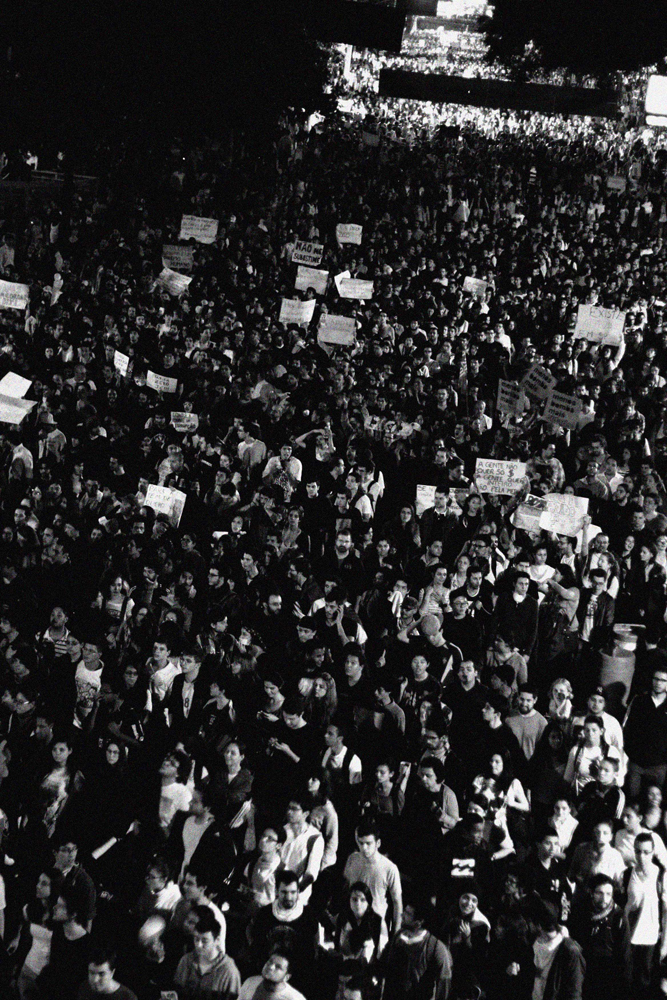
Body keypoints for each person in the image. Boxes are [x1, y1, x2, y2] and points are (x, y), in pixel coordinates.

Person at [569, 874, 631, 1000]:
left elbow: (624, 955)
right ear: (591, 893)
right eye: (600, 893)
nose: (605, 898)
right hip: (583, 972)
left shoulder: (618, 917)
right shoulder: (580, 911)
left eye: (609, 894)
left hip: (607, 975)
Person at [381, 896, 452, 1000]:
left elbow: (444, 981)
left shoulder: (435, 947)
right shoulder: (398, 937)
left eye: (408, 914)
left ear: (419, 922)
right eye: (404, 911)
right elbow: (384, 965)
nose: (402, 915)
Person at [343, 821, 403, 933]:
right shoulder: (352, 859)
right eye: (361, 843)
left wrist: (396, 934)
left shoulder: (390, 868)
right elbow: (346, 888)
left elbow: (397, 903)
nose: (364, 848)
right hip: (351, 925)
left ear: (378, 843)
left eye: (368, 843)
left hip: (376, 928)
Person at [174, 904, 242, 1000]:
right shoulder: (186, 961)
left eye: (205, 941)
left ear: (217, 940)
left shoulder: (228, 972)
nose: (199, 945)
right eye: (196, 939)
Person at [238, 951, 307, 1000]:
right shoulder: (250, 982)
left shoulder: (295, 998)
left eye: (278, 967)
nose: (270, 967)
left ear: (286, 977)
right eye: (270, 961)